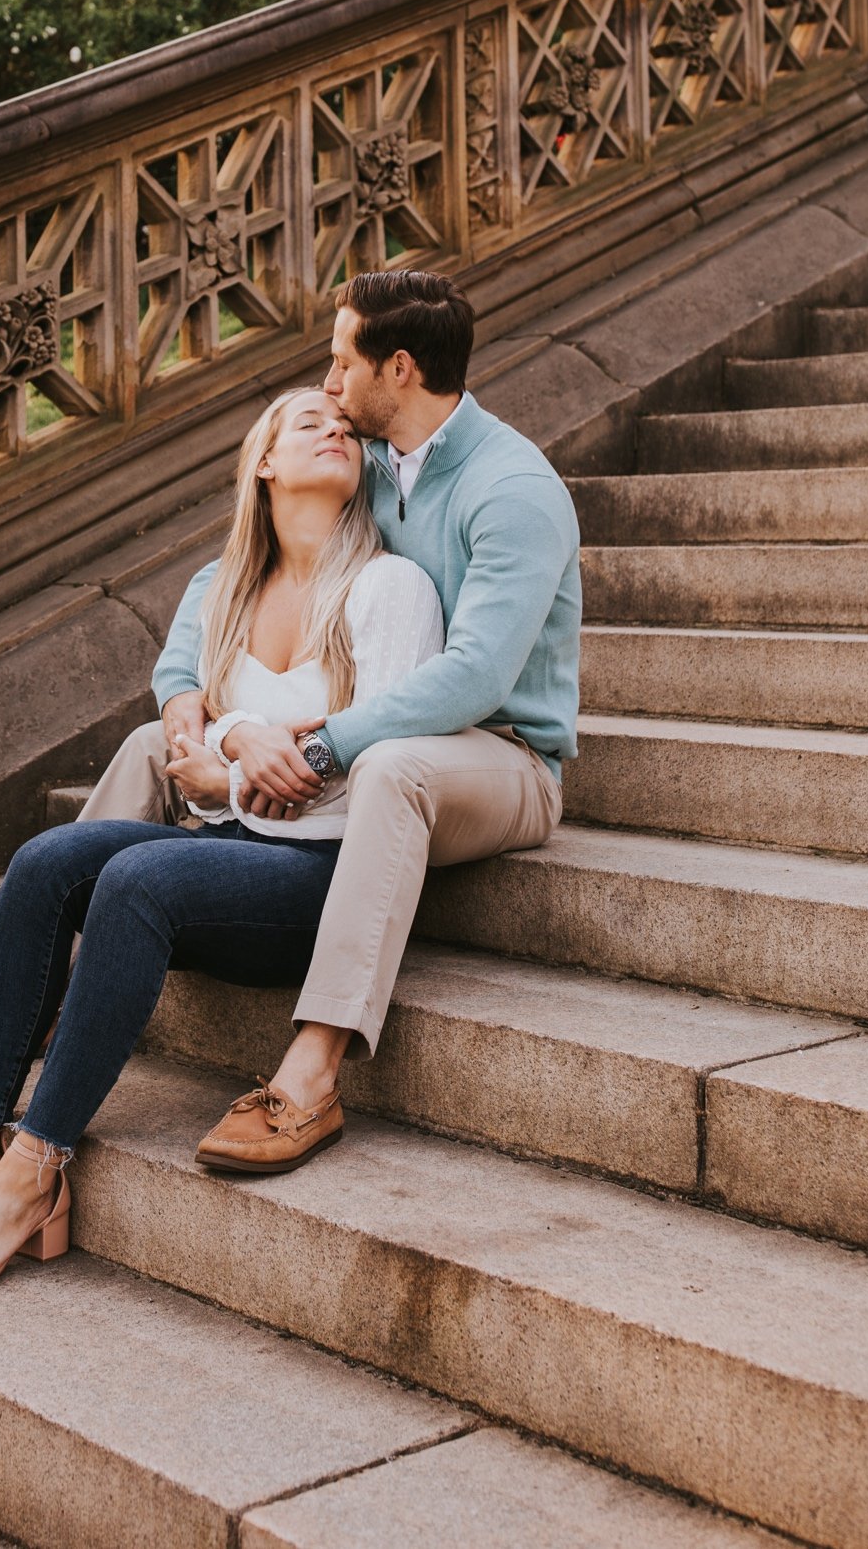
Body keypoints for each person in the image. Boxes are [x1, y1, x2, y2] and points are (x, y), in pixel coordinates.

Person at [0, 385, 443, 1291]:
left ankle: (35, 1171)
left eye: (345, 427)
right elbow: (185, 724)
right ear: (263, 463)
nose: (336, 429)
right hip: (235, 845)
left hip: (326, 872)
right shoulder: (224, 592)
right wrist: (237, 738)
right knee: (48, 860)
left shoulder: (390, 587)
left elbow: (385, 746)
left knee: (138, 876)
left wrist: (236, 764)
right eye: (308, 423)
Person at [149, 268, 580, 1173]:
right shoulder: (378, 463)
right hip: (396, 733)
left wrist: (317, 741)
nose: (330, 385)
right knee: (148, 741)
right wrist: (184, 682)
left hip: (502, 759)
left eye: (343, 362)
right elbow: (238, 558)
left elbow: (474, 677)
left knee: (393, 769)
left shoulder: (514, 491)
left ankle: (311, 1075)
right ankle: (42, 973)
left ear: (399, 368)